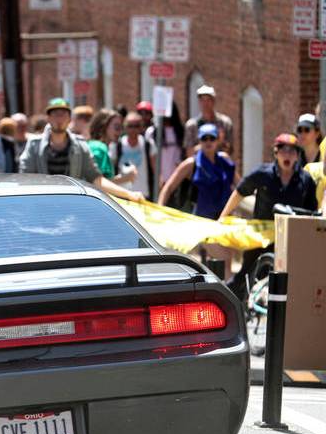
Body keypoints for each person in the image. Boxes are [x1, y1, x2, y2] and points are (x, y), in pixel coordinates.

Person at [220, 133, 318, 300]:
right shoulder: (262, 173)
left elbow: (312, 212)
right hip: (260, 236)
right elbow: (240, 192)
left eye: (292, 151)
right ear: (276, 153)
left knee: (289, 281)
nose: (287, 155)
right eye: (283, 151)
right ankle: (232, 304)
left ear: (297, 155)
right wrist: (223, 216)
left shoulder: (306, 180)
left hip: (290, 237)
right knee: (244, 276)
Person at [18, 98, 144, 203]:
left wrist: (128, 194)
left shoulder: (80, 145)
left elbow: (96, 179)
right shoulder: (34, 145)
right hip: (42, 206)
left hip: (71, 207)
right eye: (55, 114)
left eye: (63, 114)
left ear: (69, 119)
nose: (59, 119)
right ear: (49, 118)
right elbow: (25, 180)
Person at [158, 123, 238, 278]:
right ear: (199, 141)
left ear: (218, 141)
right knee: (224, 256)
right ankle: (228, 293)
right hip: (200, 221)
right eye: (204, 138)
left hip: (223, 219)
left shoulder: (224, 160)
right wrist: (160, 210)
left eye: (212, 138)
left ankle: (221, 290)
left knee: (226, 260)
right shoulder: (191, 163)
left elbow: (239, 186)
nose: (208, 142)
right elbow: (168, 187)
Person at [111, 111, 157, 200]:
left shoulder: (148, 145)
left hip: (143, 195)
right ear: (125, 127)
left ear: (141, 127)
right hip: (122, 195)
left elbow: (156, 170)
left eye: (136, 126)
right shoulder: (117, 145)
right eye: (130, 126)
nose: (133, 129)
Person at [183, 85, 234, 158]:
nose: (205, 104)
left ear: (213, 101)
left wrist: (221, 142)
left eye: (208, 100)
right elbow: (189, 153)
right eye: (202, 100)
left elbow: (229, 151)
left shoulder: (225, 123)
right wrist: (209, 144)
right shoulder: (192, 125)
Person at [86, 109, 123, 180]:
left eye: (121, 127)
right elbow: (98, 184)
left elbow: (106, 180)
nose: (120, 131)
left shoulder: (96, 145)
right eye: (117, 127)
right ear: (103, 126)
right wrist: (126, 178)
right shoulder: (98, 147)